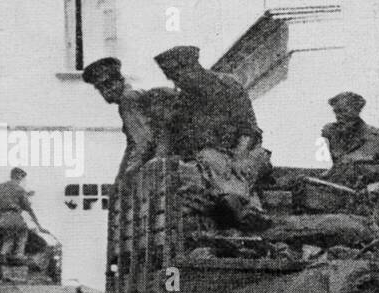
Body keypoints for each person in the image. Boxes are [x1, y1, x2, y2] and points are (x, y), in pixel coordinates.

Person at [153, 46, 269, 229]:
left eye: (177, 75)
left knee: (253, 161)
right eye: (171, 76)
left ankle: (238, 207)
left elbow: (248, 129)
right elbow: (175, 144)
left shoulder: (228, 86)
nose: (175, 81)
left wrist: (239, 157)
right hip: (211, 161)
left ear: (193, 67)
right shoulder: (181, 104)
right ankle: (244, 210)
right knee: (208, 158)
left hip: (245, 153)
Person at [81, 56, 174, 178]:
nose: (106, 91)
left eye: (108, 84)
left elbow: (143, 141)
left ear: (120, 80)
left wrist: (128, 173)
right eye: (100, 88)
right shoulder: (134, 94)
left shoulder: (127, 99)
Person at [321, 92, 379, 191]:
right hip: (347, 191)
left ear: (357, 111)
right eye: (336, 112)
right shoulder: (332, 133)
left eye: (344, 111)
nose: (339, 116)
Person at [0, 168, 43, 267]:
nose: (21, 181)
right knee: (22, 232)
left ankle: (3, 254)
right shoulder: (19, 189)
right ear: (18, 176)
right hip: (13, 218)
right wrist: (39, 225)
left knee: (9, 235)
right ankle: (18, 255)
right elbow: (28, 209)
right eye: (21, 178)